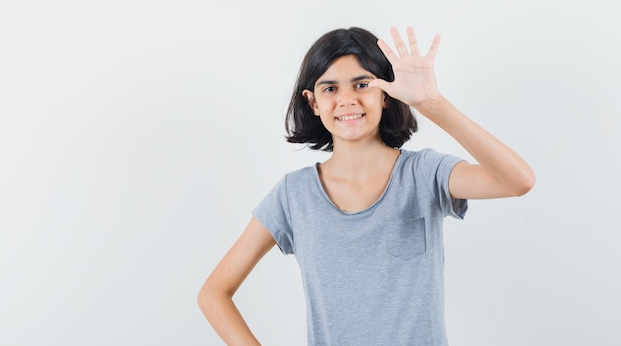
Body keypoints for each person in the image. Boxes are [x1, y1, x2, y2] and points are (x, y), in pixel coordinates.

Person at [198, 26, 535, 346]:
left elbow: (518, 180)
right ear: (313, 102)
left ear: (386, 94)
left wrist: (431, 102)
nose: (347, 100)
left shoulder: (424, 173)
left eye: (362, 85)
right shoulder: (293, 194)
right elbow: (214, 293)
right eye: (330, 88)